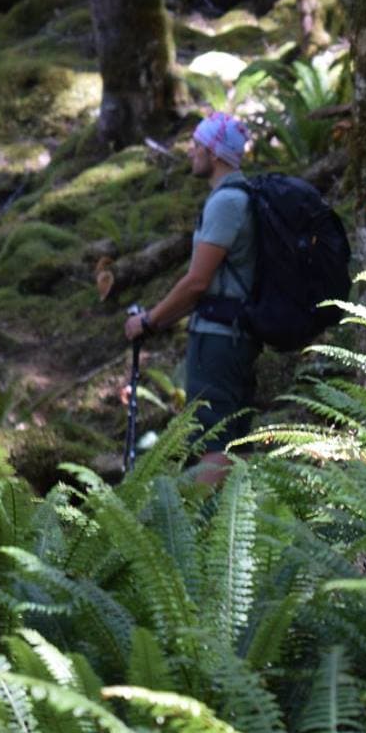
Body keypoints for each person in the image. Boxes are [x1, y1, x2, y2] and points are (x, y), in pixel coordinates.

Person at [125, 111, 259, 485]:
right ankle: (238, 522)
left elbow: (196, 282)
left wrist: (149, 321)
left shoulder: (226, 203)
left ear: (215, 152)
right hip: (235, 333)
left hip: (218, 338)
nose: (191, 152)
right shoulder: (242, 196)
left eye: (197, 145)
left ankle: (205, 535)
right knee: (235, 436)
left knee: (214, 437)